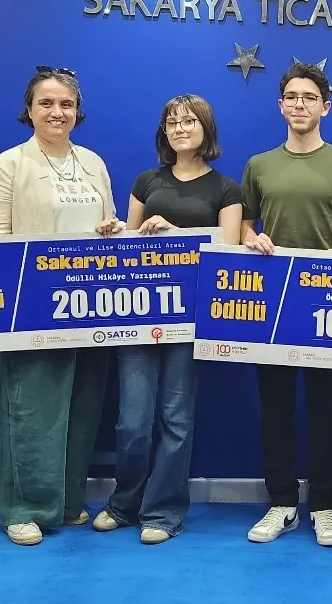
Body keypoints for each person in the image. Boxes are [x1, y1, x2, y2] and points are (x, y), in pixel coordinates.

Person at [92, 94, 243, 545]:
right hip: (140, 313)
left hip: (191, 318)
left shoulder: (226, 188)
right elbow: (131, 242)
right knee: (132, 420)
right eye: (172, 122)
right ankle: (124, 503)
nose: (180, 129)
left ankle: (163, 511)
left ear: (205, 128)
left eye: (189, 121)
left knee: (176, 418)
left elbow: (228, 252)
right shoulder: (146, 181)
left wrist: (180, 236)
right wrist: (115, 230)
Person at [0, 66, 121, 546]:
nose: (57, 112)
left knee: (82, 407)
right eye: (46, 103)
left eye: (66, 104)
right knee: (31, 410)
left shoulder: (94, 163)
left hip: (91, 307)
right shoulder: (9, 164)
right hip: (32, 309)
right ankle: (23, 507)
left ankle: (68, 501)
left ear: (77, 111)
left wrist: (113, 231)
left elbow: (108, 226)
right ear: (30, 110)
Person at [241, 61, 332, 547]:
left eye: (309, 97)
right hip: (271, 302)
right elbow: (245, 224)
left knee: (325, 410)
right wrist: (252, 239)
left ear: (325, 107)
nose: (300, 104)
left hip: (324, 302)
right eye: (292, 97)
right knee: (274, 408)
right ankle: (280, 503)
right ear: (281, 106)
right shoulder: (258, 165)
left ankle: (322, 506)